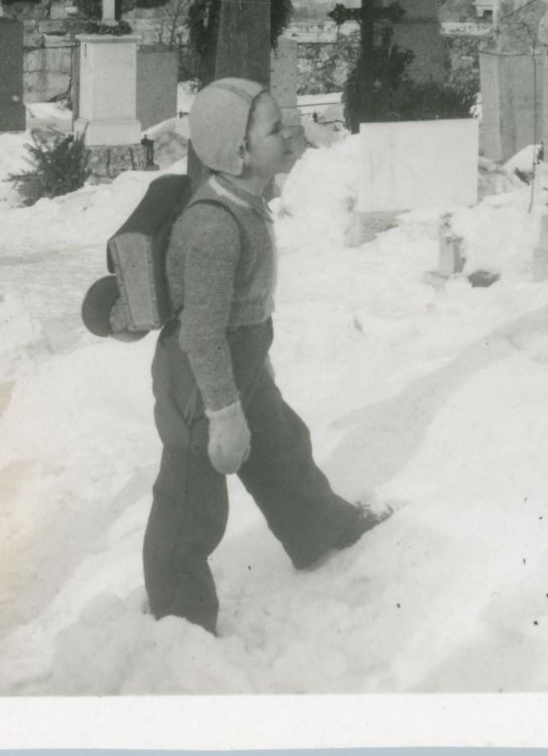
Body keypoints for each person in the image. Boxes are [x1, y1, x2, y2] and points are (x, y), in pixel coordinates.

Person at [142, 74, 386, 632]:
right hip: (199, 384)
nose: (290, 134)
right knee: (191, 502)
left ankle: (320, 530)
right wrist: (224, 414)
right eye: (275, 128)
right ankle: (179, 621)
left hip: (240, 364)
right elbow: (202, 334)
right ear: (239, 150)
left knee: (279, 447)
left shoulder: (245, 203)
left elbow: (240, 313)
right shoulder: (214, 225)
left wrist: (255, 372)